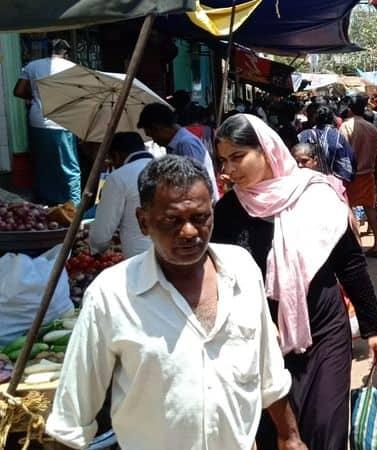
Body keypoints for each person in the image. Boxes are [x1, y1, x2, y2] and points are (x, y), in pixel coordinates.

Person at [46, 155, 305, 450]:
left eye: (200, 217)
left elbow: (268, 369)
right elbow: (72, 416)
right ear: (143, 221)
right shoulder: (111, 295)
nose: (189, 232)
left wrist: (290, 436)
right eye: (172, 220)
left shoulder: (242, 269)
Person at [212, 114, 377, 450]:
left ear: (265, 150)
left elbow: (350, 264)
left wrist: (373, 328)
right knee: (274, 435)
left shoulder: (317, 194)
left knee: (326, 429)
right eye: (223, 160)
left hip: (324, 329)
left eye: (238, 157)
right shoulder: (228, 212)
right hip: (260, 339)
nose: (230, 170)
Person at [14, 38, 80, 206]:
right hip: (62, 120)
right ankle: (74, 204)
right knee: (69, 166)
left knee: (43, 163)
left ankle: (47, 200)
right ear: (65, 52)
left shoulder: (32, 66)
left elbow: (18, 91)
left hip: (37, 120)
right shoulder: (71, 67)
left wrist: (35, 99)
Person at [88, 132, 154, 258]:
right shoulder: (167, 169)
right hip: (170, 255)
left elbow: (100, 237)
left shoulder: (118, 177)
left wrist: (95, 250)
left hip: (138, 258)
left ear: (116, 155)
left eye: (111, 160)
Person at [137, 103, 219, 201]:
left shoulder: (186, 144)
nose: (154, 141)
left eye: (152, 135)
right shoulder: (176, 145)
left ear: (157, 128)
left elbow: (195, 182)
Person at [340, 95, 377, 258]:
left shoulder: (346, 127)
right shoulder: (371, 127)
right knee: (370, 208)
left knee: (350, 209)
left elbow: (343, 154)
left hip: (351, 176)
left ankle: (357, 246)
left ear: (351, 109)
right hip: (367, 174)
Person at [297, 105, 356, 183]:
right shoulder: (338, 137)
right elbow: (349, 164)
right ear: (332, 120)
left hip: (307, 183)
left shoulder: (302, 136)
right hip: (332, 186)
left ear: (315, 120)